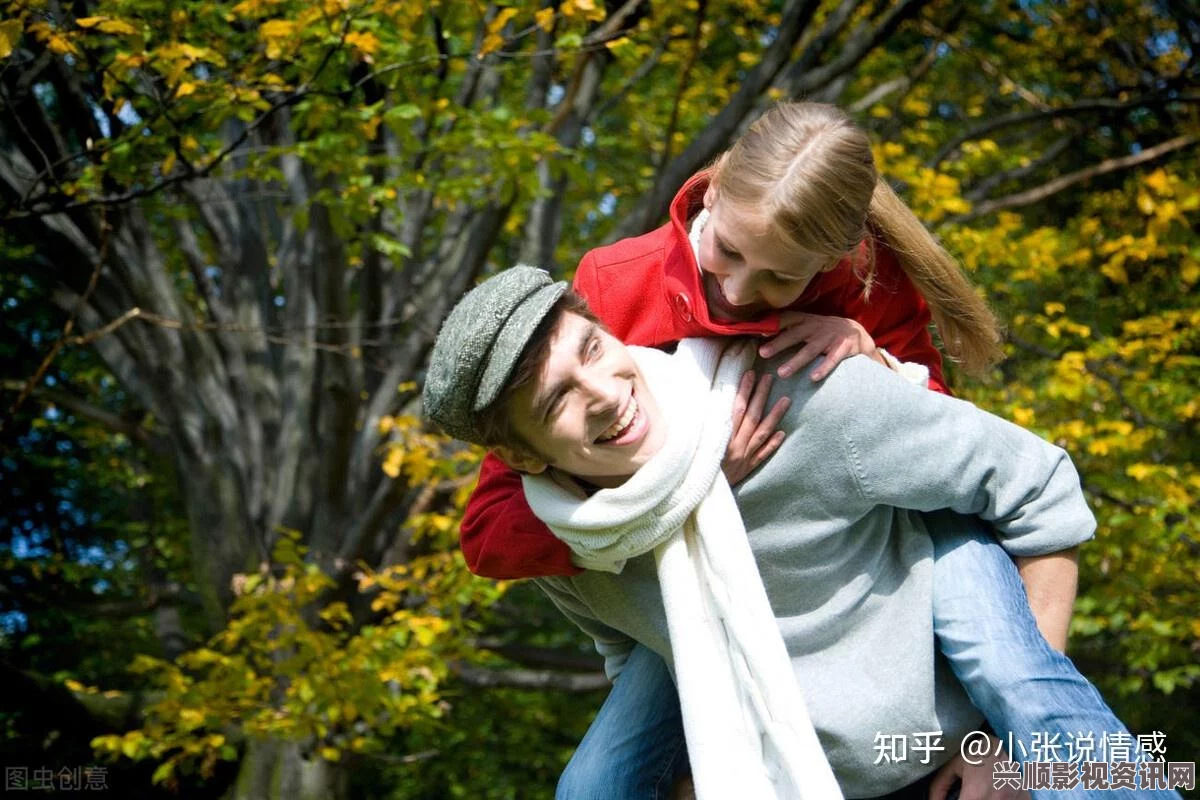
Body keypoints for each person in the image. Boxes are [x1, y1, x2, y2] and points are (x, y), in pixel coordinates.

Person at [455, 103, 1079, 796]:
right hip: (696, 566)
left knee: (1020, 679)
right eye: (728, 251)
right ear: (711, 191)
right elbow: (491, 533)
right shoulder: (615, 282)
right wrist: (689, 486)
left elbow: (944, 432)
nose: (739, 291)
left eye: (783, 279)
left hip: (911, 520)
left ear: (839, 258)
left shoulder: (869, 279)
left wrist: (874, 354)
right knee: (591, 784)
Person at [423, 267, 1174, 799]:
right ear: (523, 457)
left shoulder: (794, 396)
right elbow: (631, 646)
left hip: (955, 756)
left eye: (591, 349)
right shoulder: (567, 547)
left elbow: (1040, 488)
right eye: (557, 399)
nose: (604, 394)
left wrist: (1003, 747)